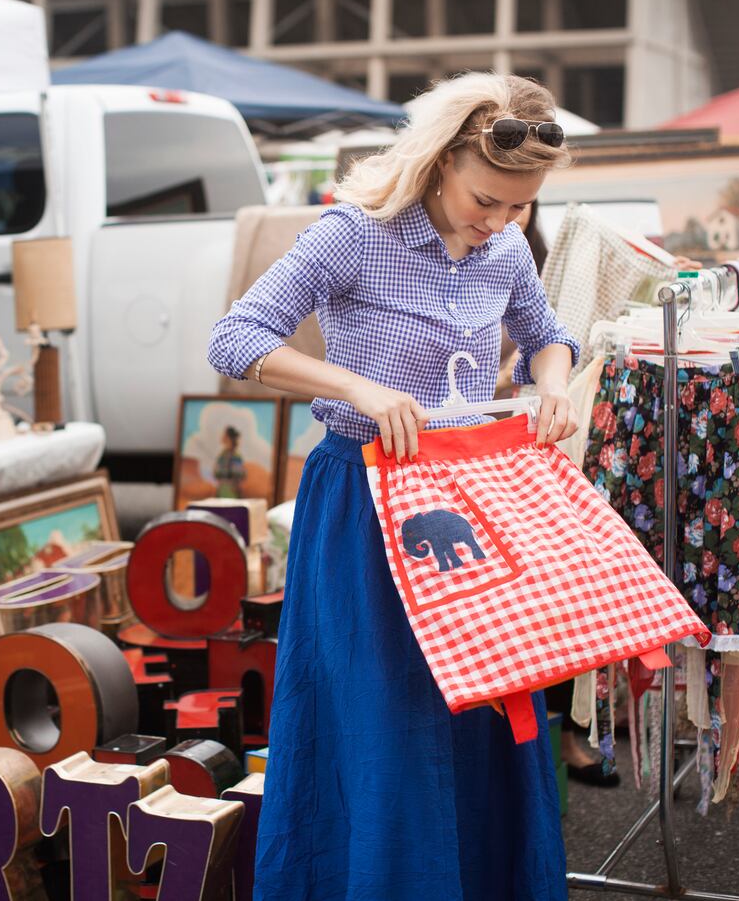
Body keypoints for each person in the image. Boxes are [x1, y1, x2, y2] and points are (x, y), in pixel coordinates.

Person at [208, 72, 580, 901]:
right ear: (441, 161)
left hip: (469, 500)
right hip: (364, 503)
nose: (499, 222)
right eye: (487, 199)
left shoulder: (509, 247)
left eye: (519, 208)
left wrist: (552, 382)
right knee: (382, 712)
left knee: (480, 704)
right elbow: (235, 337)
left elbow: (549, 335)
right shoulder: (355, 233)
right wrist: (355, 387)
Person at [213, 426, 246, 498]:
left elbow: (240, 474)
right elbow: (216, 473)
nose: (222, 437)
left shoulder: (236, 456)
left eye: (224, 435)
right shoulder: (222, 455)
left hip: (232, 490)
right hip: (222, 490)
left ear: (228, 438)